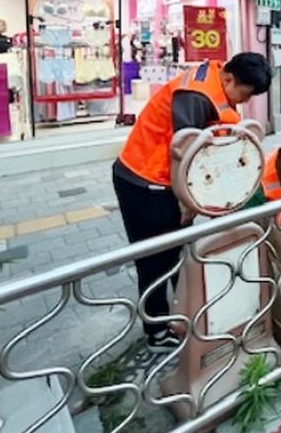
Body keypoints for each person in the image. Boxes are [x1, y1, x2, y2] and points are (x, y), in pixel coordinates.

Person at [112, 52, 272, 352]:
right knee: (154, 260)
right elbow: (185, 153)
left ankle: (178, 314)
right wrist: (187, 203)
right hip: (145, 181)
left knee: (173, 253)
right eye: (244, 94)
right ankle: (157, 332)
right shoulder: (195, 97)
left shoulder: (215, 75)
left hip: (164, 181)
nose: (242, 101)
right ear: (229, 78)